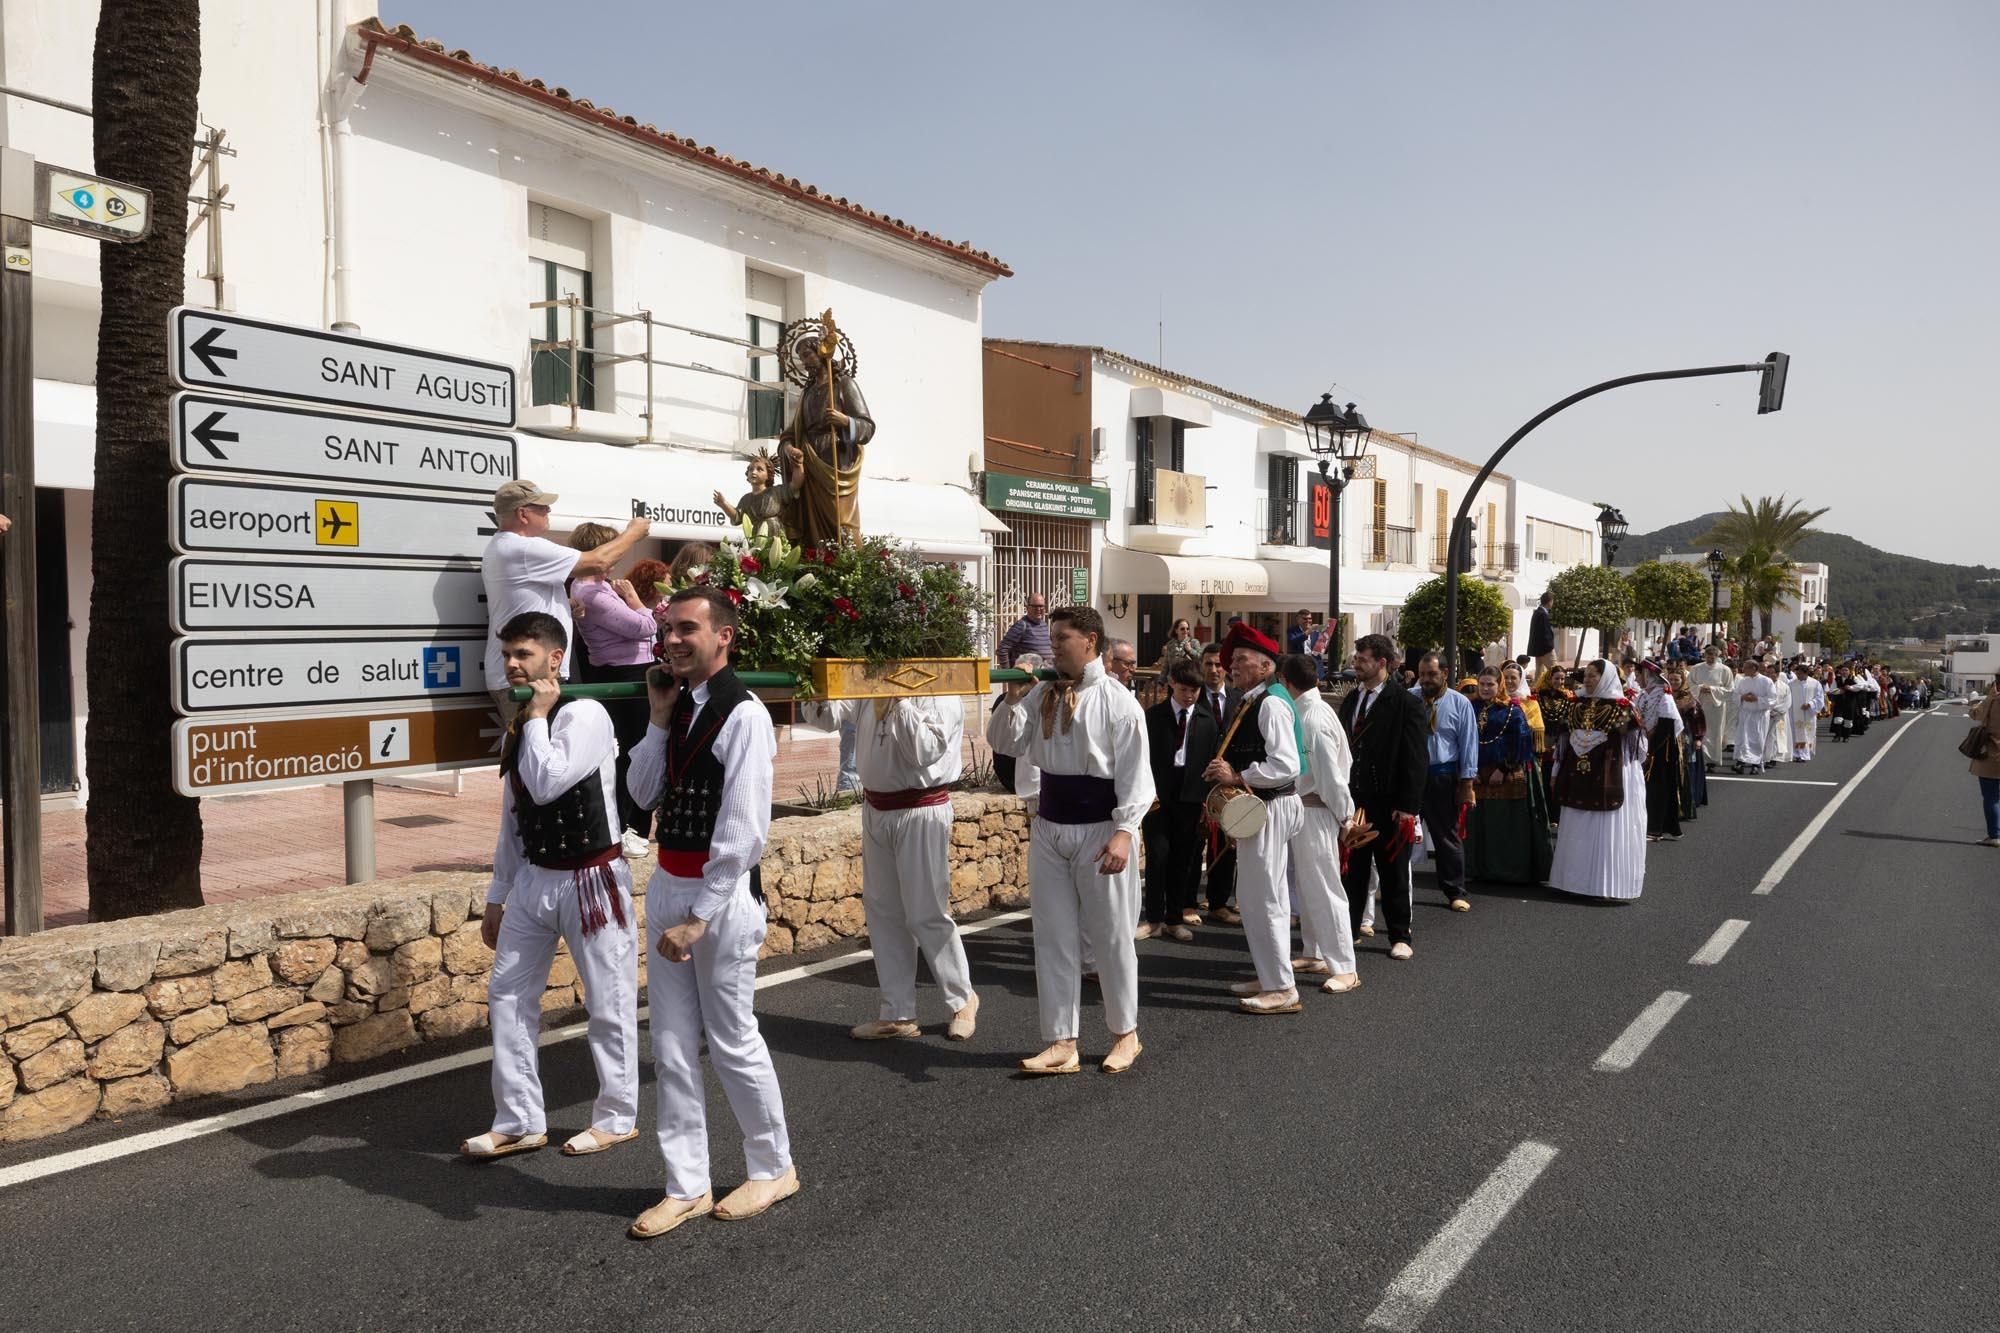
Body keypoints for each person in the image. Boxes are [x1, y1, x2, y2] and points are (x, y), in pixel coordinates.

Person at [626, 588, 796, 1237]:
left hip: (718, 900)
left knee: (731, 1038)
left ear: (723, 637)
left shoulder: (743, 713)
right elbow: (641, 795)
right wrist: (658, 720)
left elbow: (746, 825)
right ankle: (686, 1183)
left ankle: (774, 1165)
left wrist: (699, 913)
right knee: (669, 1046)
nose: (671, 638)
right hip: (670, 881)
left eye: (686, 629)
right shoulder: (678, 705)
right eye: (668, 629)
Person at [461, 612, 639, 1164]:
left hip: (591, 879)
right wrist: (497, 895)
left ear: (555, 659)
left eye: (524, 655)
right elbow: (514, 817)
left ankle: (617, 1116)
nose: (513, 664)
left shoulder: (585, 714)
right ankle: (518, 1120)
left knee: (608, 1002)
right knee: (508, 998)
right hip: (535, 880)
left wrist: (536, 715)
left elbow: (546, 783)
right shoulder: (524, 723)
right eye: (509, 655)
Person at [987, 606, 1153, 1075]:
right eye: (1052, 637)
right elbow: (1004, 742)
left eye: (1063, 637)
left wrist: (1124, 833)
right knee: (1054, 935)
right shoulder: (1040, 693)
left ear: (1091, 642)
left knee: (1111, 935)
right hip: (1050, 826)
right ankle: (1062, 1042)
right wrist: (1014, 694)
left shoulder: (1119, 702)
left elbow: (1136, 776)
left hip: (1101, 827)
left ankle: (1126, 1034)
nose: (1053, 644)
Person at [801, 692, 980, 1043]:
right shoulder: (869, 685)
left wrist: (899, 701)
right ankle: (898, 1011)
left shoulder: (941, 692)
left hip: (921, 808)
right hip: (877, 809)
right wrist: (818, 688)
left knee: (926, 912)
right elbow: (828, 717)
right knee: (883, 911)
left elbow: (925, 752)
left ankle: (963, 1000)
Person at [1202, 625, 1307, 1014]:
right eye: (1233, 660)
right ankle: (1271, 976)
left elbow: (1285, 764)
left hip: (1270, 806)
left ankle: (1281, 987)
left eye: (1242, 659)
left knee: (1263, 897)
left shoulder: (1271, 703)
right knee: (1259, 896)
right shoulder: (1258, 699)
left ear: (1266, 666)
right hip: (1266, 805)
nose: (1232, 666)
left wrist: (1237, 776)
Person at [482, 480, 649, 721]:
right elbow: (597, 561)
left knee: (536, 750)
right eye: (542, 508)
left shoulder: (503, 547)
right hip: (529, 675)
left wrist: (564, 607)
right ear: (523, 513)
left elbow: (521, 600)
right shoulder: (523, 548)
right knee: (538, 752)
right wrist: (633, 533)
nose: (548, 512)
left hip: (525, 672)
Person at [567, 524, 665, 857]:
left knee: (636, 750)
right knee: (636, 752)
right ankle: (630, 827)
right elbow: (646, 626)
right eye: (612, 549)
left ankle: (632, 824)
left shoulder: (601, 586)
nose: (617, 556)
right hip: (625, 674)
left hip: (630, 670)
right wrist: (637, 601)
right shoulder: (592, 591)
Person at [1336, 635, 1428, 959]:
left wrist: (1407, 808)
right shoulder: (1351, 701)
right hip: (1355, 800)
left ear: (1382, 663)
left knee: (1393, 871)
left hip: (1390, 804)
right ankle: (1348, 932)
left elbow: (1416, 760)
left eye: (1362, 659)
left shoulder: (1406, 703)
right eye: (1356, 658)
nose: (1355, 664)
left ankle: (1400, 935)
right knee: (1353, 870)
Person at [1280, 653, 1360, 994]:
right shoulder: (1311, 711)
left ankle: (1345, 965)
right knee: (1306, 885)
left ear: (1287, 682)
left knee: (1325, 887)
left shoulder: (1312, 717)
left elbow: (1331, 775)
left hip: (1316, 809)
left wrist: (1345, 816)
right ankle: (1314, 951)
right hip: (1305, 808)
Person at [1546, 659, 1648, 901]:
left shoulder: (1623, 707)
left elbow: (1637, 748)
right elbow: (1563, 741)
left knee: (1605, 828)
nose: (1588, 680)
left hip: (1609, 773)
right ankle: (1572, 882)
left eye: (1594, 676)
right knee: (1576, 825)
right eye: (1587, 675)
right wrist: (1555, 772)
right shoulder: (1574, 704)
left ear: (1607, 677)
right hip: (1576, 773)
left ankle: (1603, 886)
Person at [1141, 661, 1218, 943]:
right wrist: (1146, 791)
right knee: (1157, 856)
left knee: (1182, 860)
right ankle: (1153, 919)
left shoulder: (1207, 720)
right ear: (1172, 683)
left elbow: (1210, 761)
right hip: (1158, 794)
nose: (1189, 695)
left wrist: (1205, 801)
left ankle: (1174, 919)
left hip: (1190, 795)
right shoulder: (1153, 716)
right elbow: (1142, 758)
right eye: (1184, 689)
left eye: (1195, 690)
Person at [1464, 667, 1554, 885]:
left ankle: (1508, 871)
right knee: (1478, 824)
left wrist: (1503, 769)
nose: (1485, 689)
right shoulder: (1469, 707)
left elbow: (1522, 743)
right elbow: (1463, 740)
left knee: (1503, 825)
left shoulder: (1512, 710)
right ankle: (1478, 869)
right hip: (1476, 774)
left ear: (1499, 685)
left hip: (1503, 774)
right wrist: (1470, 770)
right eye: (1482, 684)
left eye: (1490, 684)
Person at [1414, 653, 1480, 912]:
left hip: (1443, 776)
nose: (1425, 680)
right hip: (1412, 776)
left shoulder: (1460, 703)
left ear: (1445, 672)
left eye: (1431, 674)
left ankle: (1455, 891)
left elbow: (1468, 744)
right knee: (1402, 832)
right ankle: (1394, 885)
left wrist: (1467, 785)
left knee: (1446, 837)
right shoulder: (1409, 698)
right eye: (1422, 674)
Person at [1195, 643, 1242, 925]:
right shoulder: (1193, 696)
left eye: (1217, 664)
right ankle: (1186, 903)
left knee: (1226, 845)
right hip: (1197, 781)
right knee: (1193, 845)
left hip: (1230, 783)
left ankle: (1219, 903)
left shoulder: (1239, 699)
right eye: (1208, 664)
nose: (1213, 670)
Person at [1636, 661, 1685, 842]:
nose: (1636, 678)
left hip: (1660, 749)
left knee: (1658, 787)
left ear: (1647, 676)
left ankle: (1656, 828)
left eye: (1638, 675)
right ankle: (1645, 824)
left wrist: (1650, 746)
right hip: (1643, 744)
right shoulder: (1641, 695)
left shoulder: (1663, 695)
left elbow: (1667, 725)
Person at [712, 446, 798, 538]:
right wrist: (723, 504)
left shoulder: (776, 492)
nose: (754, 472)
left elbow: (796, 484)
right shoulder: (746, 499)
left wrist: (799, 464)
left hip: (775, 534)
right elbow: (737, 517)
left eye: (759, 469)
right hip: (757, 535)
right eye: (751, 469)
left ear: (768, 475)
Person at [1666, 664, 1708, 822]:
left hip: (1686, 737)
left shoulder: (1689, 698)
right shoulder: (1665, 696)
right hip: (1668, 737)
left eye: (1676, 680)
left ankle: (1687, 803)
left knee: (1686, 770)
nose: (1673, 682)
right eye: (1670, 679)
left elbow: (1698, 720)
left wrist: (1698, 738)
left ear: (1682, 680)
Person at [1688, 646, 1734, 772]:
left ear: (1717, 657)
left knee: (1714, 733)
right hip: (1699, 703)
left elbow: (1730, 689)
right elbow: (1690, 684)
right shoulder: (1696, 668)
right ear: (1704, 656)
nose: (1710, 659)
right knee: (1698, 730)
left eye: (1712, 657)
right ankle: (1698, 758)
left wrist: (1712, 689)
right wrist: (1699, 688)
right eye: (1708, 657)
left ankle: (1712, 761)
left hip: (1715, 706)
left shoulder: (1725, 670)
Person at [1968, 674, 2000, 847]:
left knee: (1992, 796)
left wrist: (1976, 700)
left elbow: (1976, 715)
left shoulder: (1993, 700)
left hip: (1992, 753)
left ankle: (1994, 835)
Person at [1732, 658, 1777, 773]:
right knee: (1743, 738)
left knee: (1757, 739)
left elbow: (1772, 699)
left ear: (1753, 668)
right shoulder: (1743, 681)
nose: (1743, 670)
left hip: (1759, 715)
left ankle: (1755, 764)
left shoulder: (1766, 681)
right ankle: (1740, 763)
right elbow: (1735, 695)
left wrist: (1757, 699)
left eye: (1745, 667)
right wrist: (1743, 697)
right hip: (1745, 713)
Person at [997, 594, 1052, 669]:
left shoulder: (1044, 625)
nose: (1039, 609)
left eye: (1041, 606)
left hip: (1045, 676)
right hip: (1027, 677)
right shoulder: (1021, 625)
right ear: (1028, 608)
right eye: (1035, 606)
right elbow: (1002, 649)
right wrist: (1007, 674)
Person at [1792, 662, 1825, 762]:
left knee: (1807, 733)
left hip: (1809, 714)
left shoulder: (1815, 683)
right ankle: (1797, 754)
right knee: (1797, 733)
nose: (1798, 676)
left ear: (1806, 673)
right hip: (1796, 713)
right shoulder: (1792, 684)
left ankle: (1804, 754)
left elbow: (1820, 698)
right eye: (1797, 674)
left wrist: (1810, 704)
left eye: (1800, 674)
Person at [1766, 660, 1794, 765]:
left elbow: (1787, 702)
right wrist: (1768, 710)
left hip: (1779, 716)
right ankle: (1765, 757)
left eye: (1770, 673)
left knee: (1777, 737)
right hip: (1765, 716)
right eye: (1767, 673)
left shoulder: (1785, 687)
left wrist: (1775, 711)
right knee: (1766, 737)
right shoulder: (1764, 685)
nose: (1768, 675)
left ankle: (1774, 758)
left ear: (1777, 674)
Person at [1527, 591, 1556, 675]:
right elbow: (1545, 633)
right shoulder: (1542, 614)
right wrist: (1550, 647)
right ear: (1549, 601)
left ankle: (1537, 688)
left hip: (1539, 649)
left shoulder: (1537, 612)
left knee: (1539, 673)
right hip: (1545, 650)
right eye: (1552, 601)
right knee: (1555, 671)